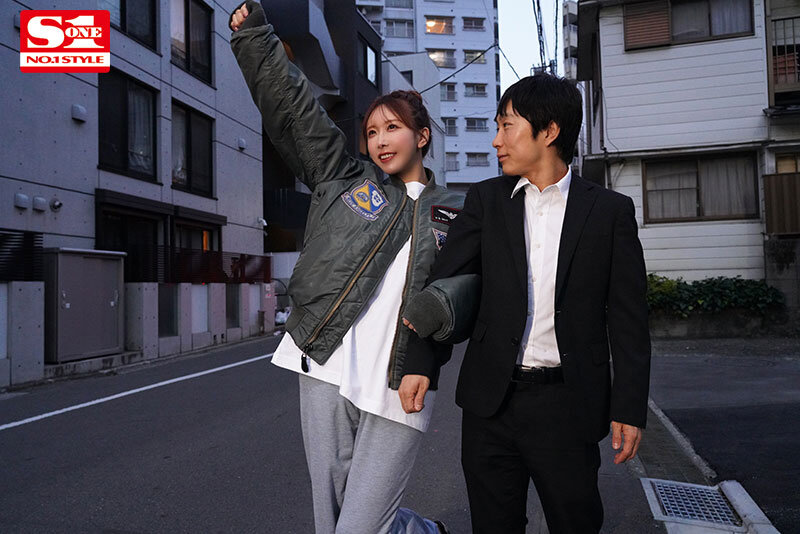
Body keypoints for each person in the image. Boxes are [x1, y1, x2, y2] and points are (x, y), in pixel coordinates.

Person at [228, 2, 464, 533]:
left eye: (393, 128)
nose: (379, 140)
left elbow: (464, 288)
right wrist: (257, 39)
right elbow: (296, 113)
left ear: (422, 136)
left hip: (400, 380)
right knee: (330, 515)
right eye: (372, 131)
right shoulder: (345, 182)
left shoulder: (456, 212)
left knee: (360, 526)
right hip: (327, 361)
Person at [401, 74, 652, 533]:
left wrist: (629, 407)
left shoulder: (609, 212)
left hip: (568, 405)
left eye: (507, 126)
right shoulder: (485, 201)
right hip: (490, 403)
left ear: (549, 131)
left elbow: (629, 320)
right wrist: (421, 362)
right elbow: (444, 284)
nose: (496, 140)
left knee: (575, 522)